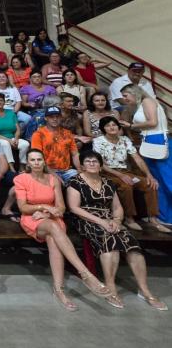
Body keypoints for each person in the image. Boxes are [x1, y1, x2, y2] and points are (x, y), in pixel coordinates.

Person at [68, 150, 167, 310]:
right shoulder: (75, 181)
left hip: (109, 220)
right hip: (86, 220)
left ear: (101, 165)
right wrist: (101, 221)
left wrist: (116, 220)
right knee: (110, 243)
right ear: (83, 165)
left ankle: (145, 290)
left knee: (132, 245)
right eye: (88, 161)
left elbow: (117, 207)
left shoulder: (108, 182)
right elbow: (74, 208)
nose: (92, 164)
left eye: (95, 161)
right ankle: (111, 287)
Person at [14, 149, 111, 311]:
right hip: (32, 219)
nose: (36, 163)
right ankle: (86, 274)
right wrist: (44, 207)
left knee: (53, 238)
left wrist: (48, 212)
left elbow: (61, 207)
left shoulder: (53, 179)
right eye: (33, 160)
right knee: (53, 227)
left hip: (53, 217)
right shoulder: (21, 179)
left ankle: (59, 290)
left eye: (39, 159)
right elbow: (23, 207)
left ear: (44, 161)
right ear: (28, 163)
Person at [93, 116, 168, 232]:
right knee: (126, 186)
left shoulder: (125, 140)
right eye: (108, 126)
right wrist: (120, 175)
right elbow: (101, 164)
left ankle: (153, 219)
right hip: (107, 173)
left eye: (114, 125)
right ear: (103, 129)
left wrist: (149, 175)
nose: (112, 127)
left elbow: (137, 159)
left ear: (119, 127)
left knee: (149, 184)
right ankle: (129, 218)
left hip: (125, 172)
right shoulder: (98, 141)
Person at [119, 84, 172, 225]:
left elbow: (153, 122)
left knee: (168, 179)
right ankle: (165, 216)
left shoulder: (147, 101)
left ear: (134, 92)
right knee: (157, 181)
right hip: (149, 140)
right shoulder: (140, 104)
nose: (124, 99)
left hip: (157, 139)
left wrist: (131, 126)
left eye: (125, 95)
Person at [30, 105, 82, 183]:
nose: (55, 119)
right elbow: (37, 157)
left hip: (67, 171)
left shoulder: (68, 133)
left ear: (61, 118)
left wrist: (80, 170)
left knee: (81, 179)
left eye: (57, 116)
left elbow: (75, 154)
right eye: (51, 117)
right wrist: (54, 175)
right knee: (55, 182)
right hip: (46, 171)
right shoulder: (38, 134)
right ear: (46, 118)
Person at [0, 93, 29, 176]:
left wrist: (16, 138)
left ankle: (22, 166)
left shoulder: (11, 113)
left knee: (25, 144)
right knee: (5, 144)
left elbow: (18, 129)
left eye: (1, 100)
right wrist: (8, 140)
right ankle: (11, 167)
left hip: (12, 137)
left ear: (4, 102)